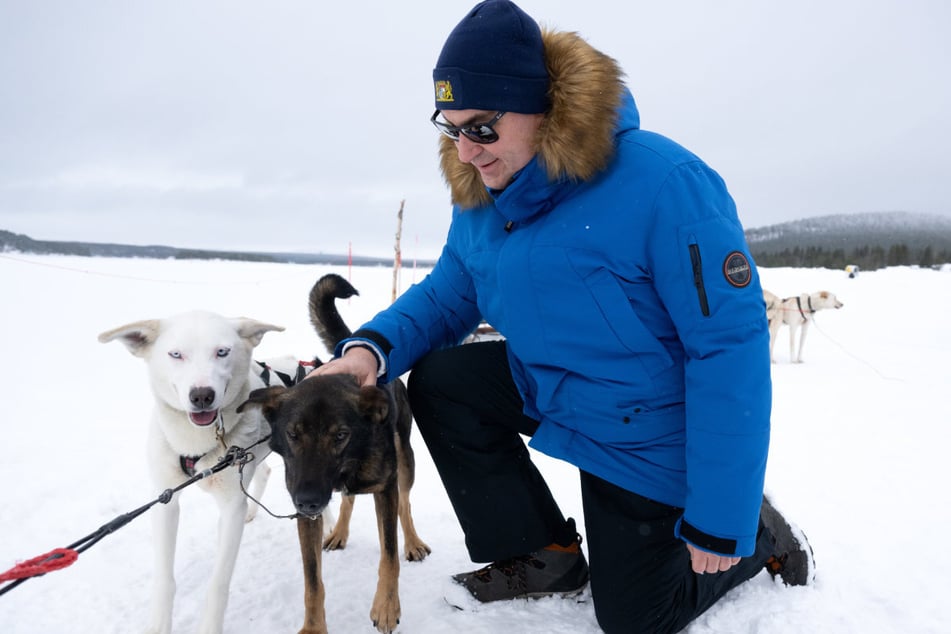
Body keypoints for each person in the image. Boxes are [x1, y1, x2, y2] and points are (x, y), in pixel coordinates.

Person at [311, 1, 814, 631]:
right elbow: (448, 294)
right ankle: (544, 553)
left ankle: (762, 535)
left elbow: (728, 349)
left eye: (482, 128)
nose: (466, 152)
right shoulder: (483, 198)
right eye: (451, 128)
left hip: (645, 428)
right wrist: (368, 350)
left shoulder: (664, 183)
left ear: (540, 106)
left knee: (635, 618)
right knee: (442, 382)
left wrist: (722, 516)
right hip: (552, 385)